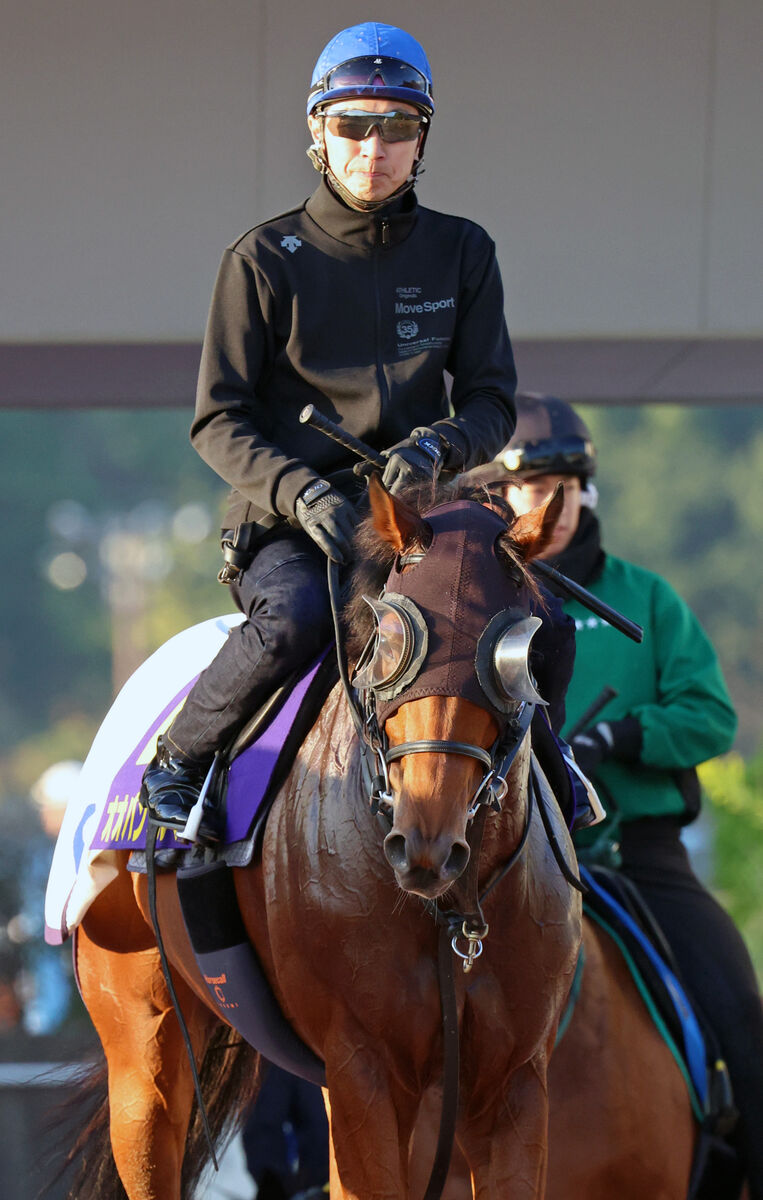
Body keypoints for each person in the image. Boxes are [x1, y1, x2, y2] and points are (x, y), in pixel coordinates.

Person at [140, 22, 519, 839]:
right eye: (352, 124)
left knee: (521, 619)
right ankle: (182, 758)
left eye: (396, 127)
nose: (372, 148)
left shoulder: (465, 251)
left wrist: (435, 448)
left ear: (422, 139)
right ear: (317, 133)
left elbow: (492, 402)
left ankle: (555, 787)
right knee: (299, 621)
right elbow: (217, 418)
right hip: (292, 521)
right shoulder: (262, 258)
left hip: (413, 517)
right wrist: (300, 490)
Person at [478, 392, 763, 1197]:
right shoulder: (476, 609)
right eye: (534, 486)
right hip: (502, 866)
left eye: (566, 482)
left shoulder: (648, 599)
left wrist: (620, 738)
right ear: (500, 498)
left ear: (587, 489)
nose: (551, 503)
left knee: (740, 1010)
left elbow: (709, 715)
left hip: (635, 858)